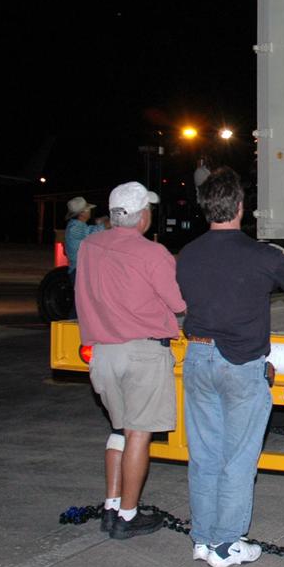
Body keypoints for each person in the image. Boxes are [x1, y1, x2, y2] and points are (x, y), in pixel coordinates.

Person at [176, 167, 284, 567]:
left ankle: (202, 540)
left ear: (207, 209)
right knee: (238, 458)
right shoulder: (261, 254)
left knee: (203, 455)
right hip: (240, 365)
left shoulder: (189, 254)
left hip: (199, 357)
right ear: (240, 206)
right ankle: (227, 543)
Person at [75, 181, 186, 540]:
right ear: (141, 216)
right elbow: (179, 303)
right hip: (142, 353)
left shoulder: (90, 247)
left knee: (119, 430)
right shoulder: (152, 253)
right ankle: (127, 515)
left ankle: (111, 505)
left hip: (103, 352)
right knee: (140, 433)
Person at [64, 196, 108, 286]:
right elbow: (91, 232)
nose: (90, 211)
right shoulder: (74, 227)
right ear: (81, 213)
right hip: (79, 271)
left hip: (80, 269)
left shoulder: (78, 225)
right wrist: (110, 223)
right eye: (88, 209)